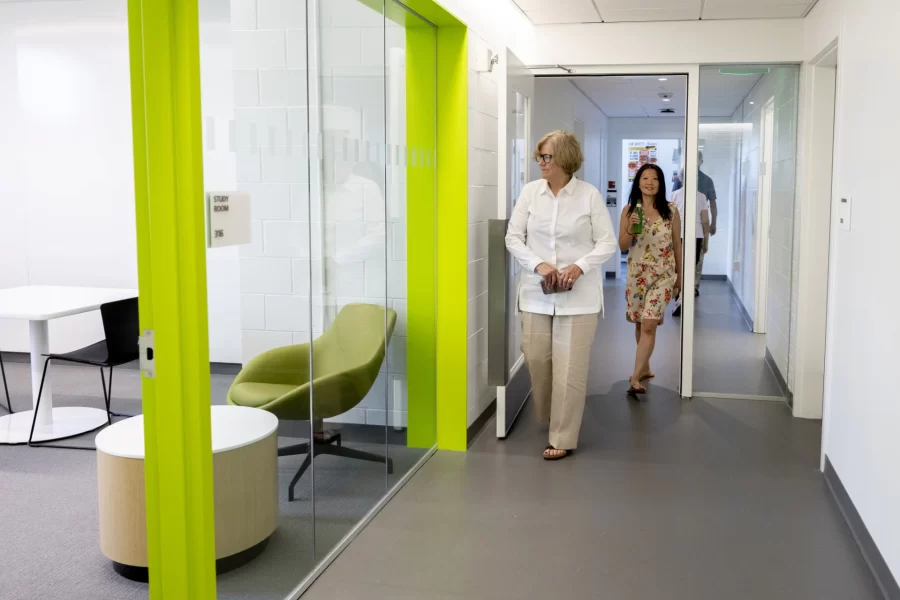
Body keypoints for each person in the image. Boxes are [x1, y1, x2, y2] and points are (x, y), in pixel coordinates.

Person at [506, 130, 617, 461]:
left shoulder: (589, 196)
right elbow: (514, 238)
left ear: (565, 159)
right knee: (537, 357)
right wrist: (538, 264)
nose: (541, 162)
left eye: (547, 157)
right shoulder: (530, 193)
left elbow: (607, 243)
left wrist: (579, 267)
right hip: (536, 293)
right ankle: (551, 414)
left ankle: (563, 436)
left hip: (578, 298)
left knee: (570, 368)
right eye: (539, 156)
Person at [619, 163, 682, 395]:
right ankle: (644, 367)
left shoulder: (671, 211)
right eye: (645, 178)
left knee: (648, 324)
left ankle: (635, 378)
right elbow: (623, 246)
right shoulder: (628, 211)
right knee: (639, 323)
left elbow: (677, 244)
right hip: (637, 276)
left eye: (654, 178)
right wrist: (631, 229)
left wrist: (680, 278)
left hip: (663, 276)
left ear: (661, 183)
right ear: (638, 182)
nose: (649, 182)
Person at [673, 151, 717, 294]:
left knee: (691, 259)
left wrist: (713, 224)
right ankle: (688, 286)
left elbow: (713, 205)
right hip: (695, 229)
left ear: (701, 162)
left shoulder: (707, 181)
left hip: (689, 228)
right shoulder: (682, 182)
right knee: (694, 259)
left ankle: (689, 287)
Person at [671, 169, 710, 317]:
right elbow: (705, 221)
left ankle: (679, 298)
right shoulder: (701, 197)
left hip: (678, 235)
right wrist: (706, 241)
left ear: (681, 179)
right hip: (696, 235)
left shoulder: (674, 195)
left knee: (678, 267)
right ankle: (683, 299)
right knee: (691, 268)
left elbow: (669, 218)